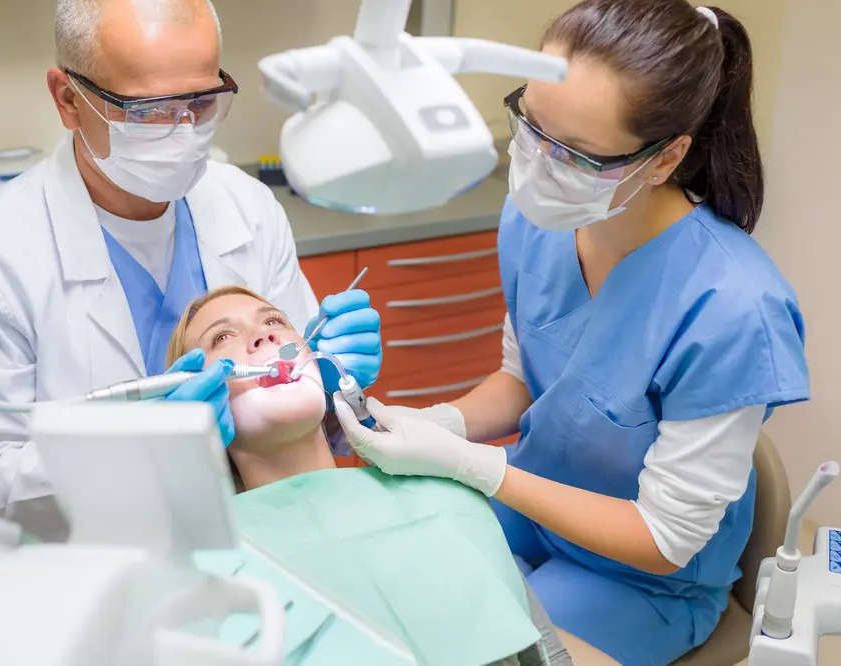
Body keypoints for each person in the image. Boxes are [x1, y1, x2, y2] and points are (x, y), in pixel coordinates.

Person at [334, 2, 809, 665]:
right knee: (384, 578)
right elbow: (524, 378)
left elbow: (664, 537)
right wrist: (439, 422)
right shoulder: (538, 218)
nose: (535, 164)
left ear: (667, 157)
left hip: (642, 579)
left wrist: (479, 468)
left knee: (474, 644)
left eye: (577, 155)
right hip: (535, 509)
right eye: (530, 125)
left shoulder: (732, 308)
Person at [0, 0, 381, 542]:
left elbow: (301, 415)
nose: (183, 131)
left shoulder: (248, 209)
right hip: (87, 575)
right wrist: (138, 447)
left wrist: (335, 387)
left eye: (202, 102)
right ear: (68, 99)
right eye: (148, 111)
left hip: (268, 542)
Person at [167, 286, 575, 666]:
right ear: (200, 401)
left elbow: (545, 652)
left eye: (274, 321)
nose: (264, 337)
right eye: (222, 338)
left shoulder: (442, 490)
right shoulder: (201, 572)